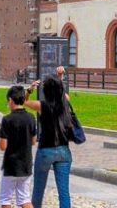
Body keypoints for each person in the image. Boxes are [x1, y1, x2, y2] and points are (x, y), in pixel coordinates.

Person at [24, 67, 72, 208]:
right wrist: (60, 77)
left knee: (38, 189)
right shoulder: (65, 101)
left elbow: (24, 102)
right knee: (64, 192)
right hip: (63, 149)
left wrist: (30, 90)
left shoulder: (41, 105)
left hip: (46, 149)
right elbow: (61, 92)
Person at [0, 85, 37, 208]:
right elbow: (34, 141)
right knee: (24, 198)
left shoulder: (7, 119)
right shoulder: (31, 118)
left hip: (11, 165)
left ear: (10, 100)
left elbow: (3, 146)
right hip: (26, 163)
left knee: (6, 199)